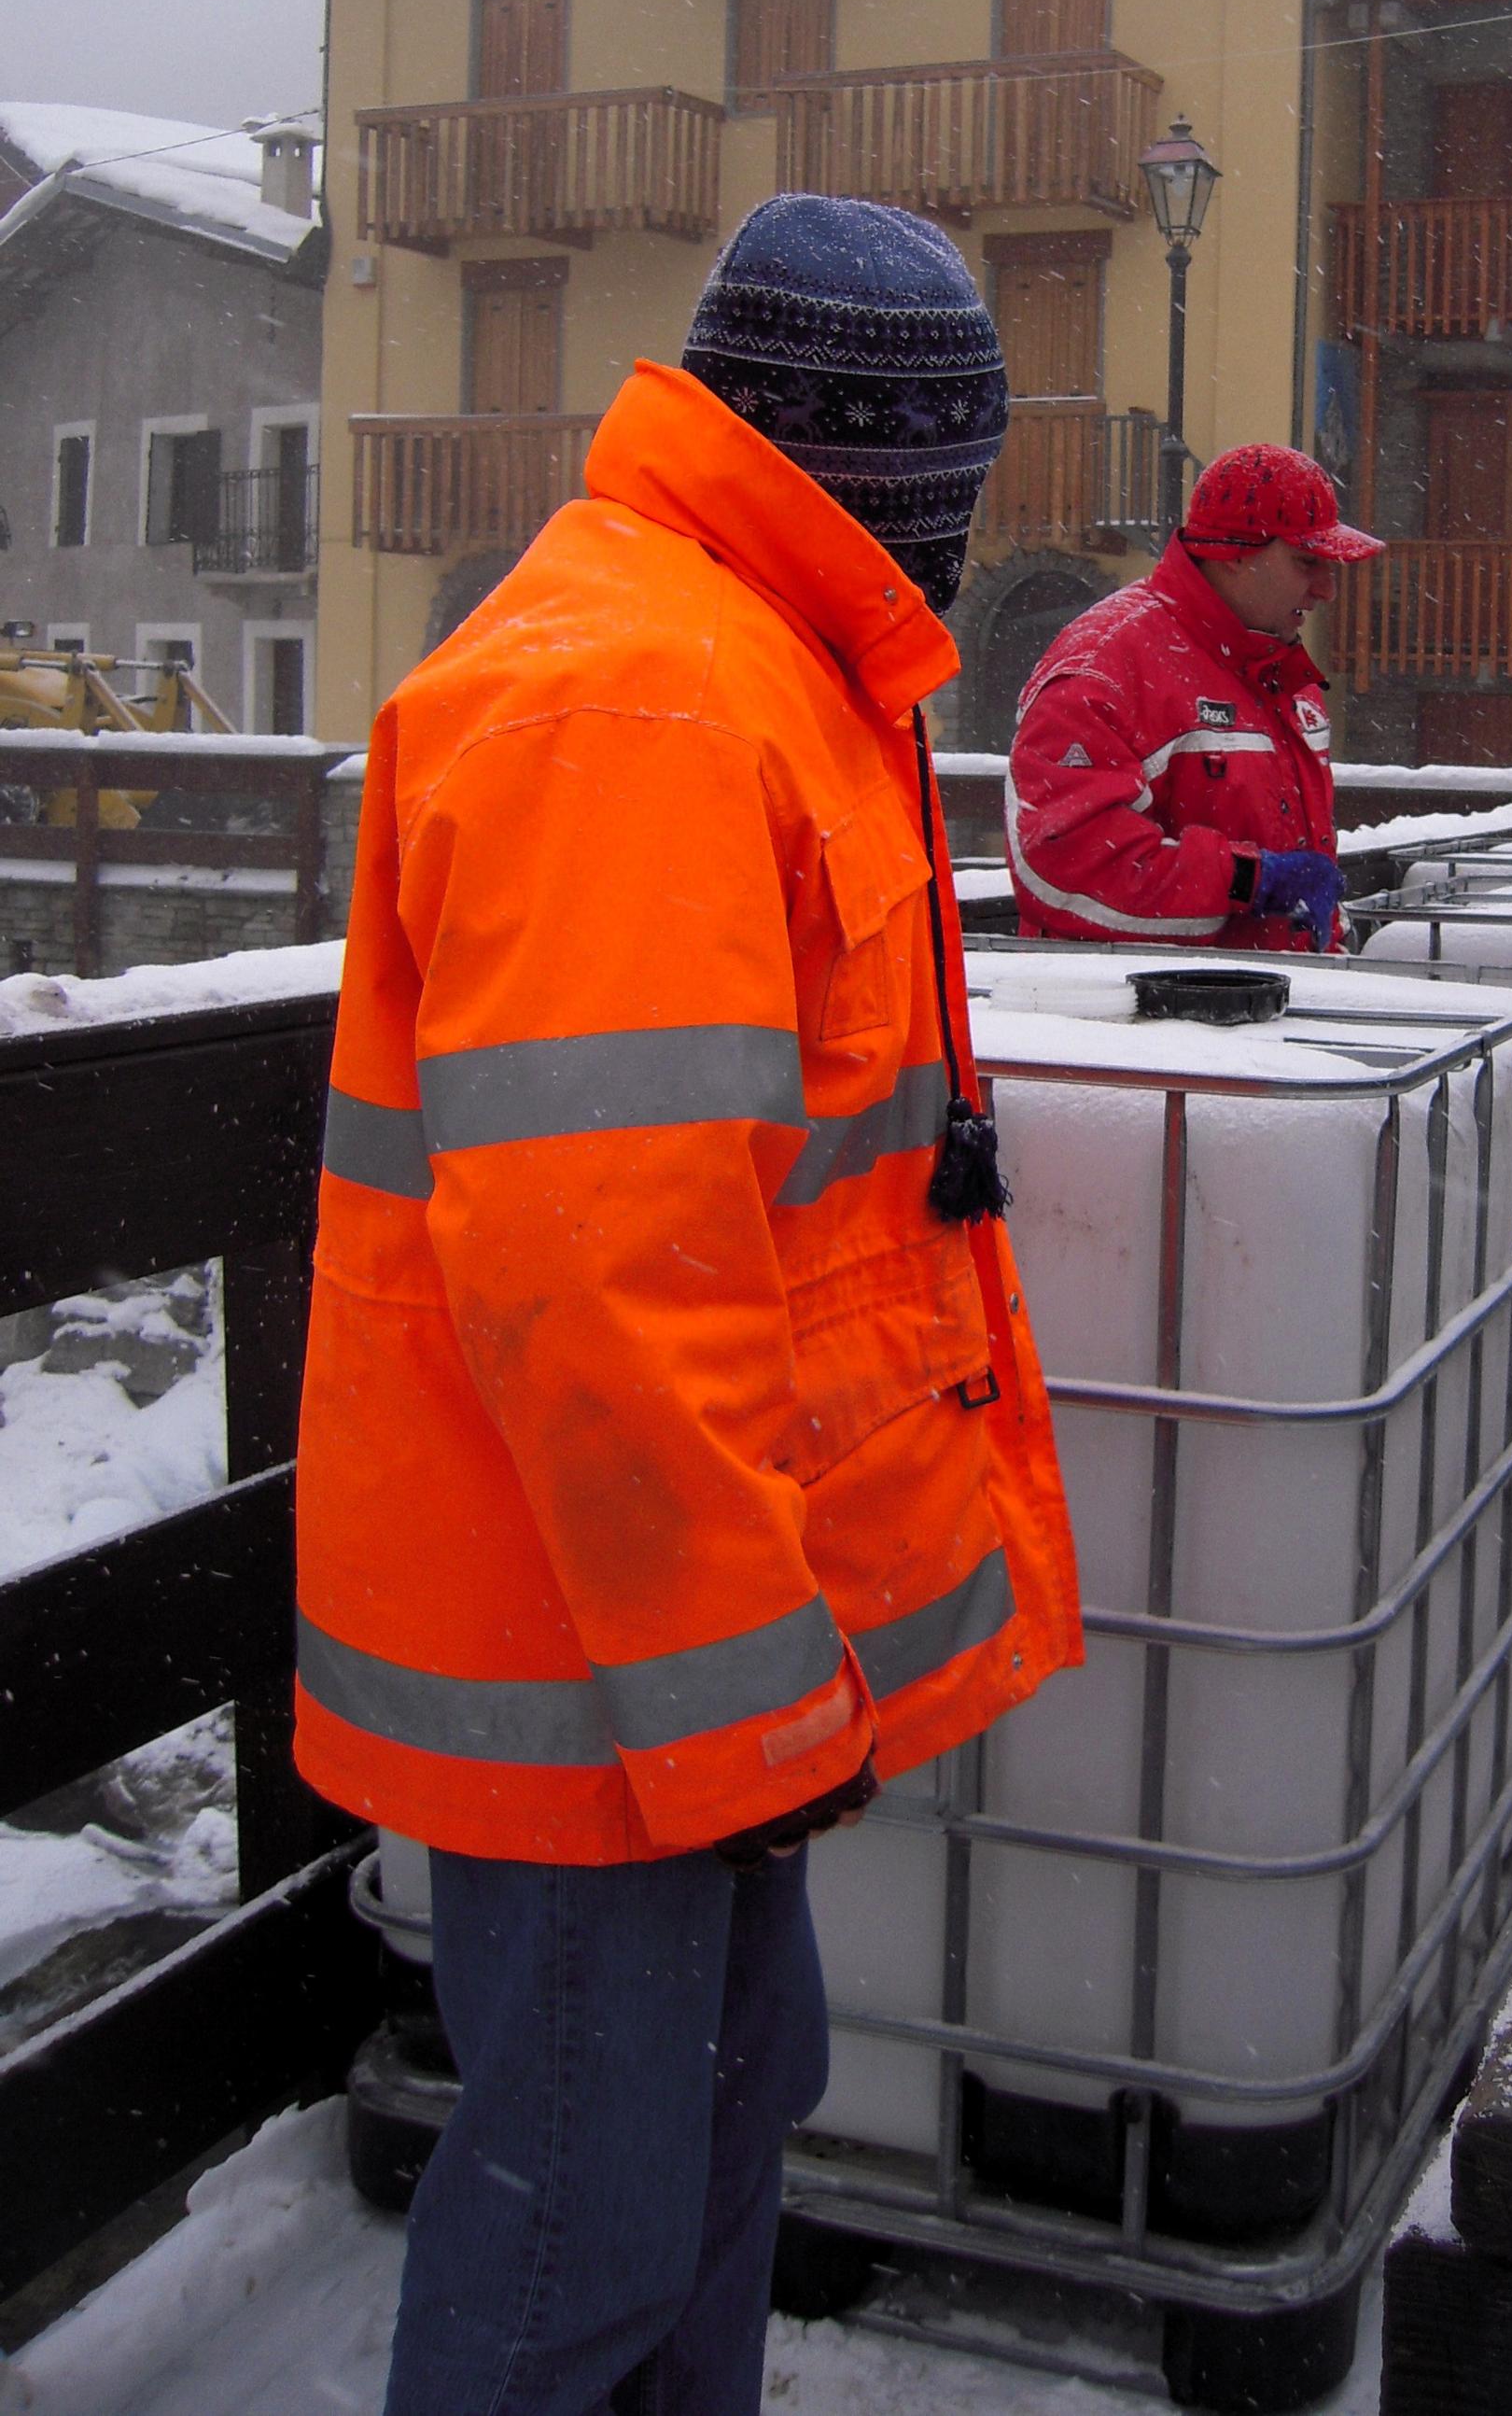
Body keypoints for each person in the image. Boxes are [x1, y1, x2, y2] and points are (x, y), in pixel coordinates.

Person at [297, 194, 1082, 2416]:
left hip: (667, 1631)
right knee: (588, 2196)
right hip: (598, 1659)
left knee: (711, 2119)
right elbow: (601, 1286)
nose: (959, 522)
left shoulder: (740, 650)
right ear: (875, 465)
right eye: (947, 472)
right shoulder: (637, 703)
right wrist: (748, 1702)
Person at [1006, 442, 1383, 949]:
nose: (1326, 589)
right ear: (1232, 553)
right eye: (1306, 562)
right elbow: (1064, 868)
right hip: (1140, 1018)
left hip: (1258, 1006)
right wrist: (1248, 880)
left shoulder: (1282, 669)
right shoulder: (1103, 670)